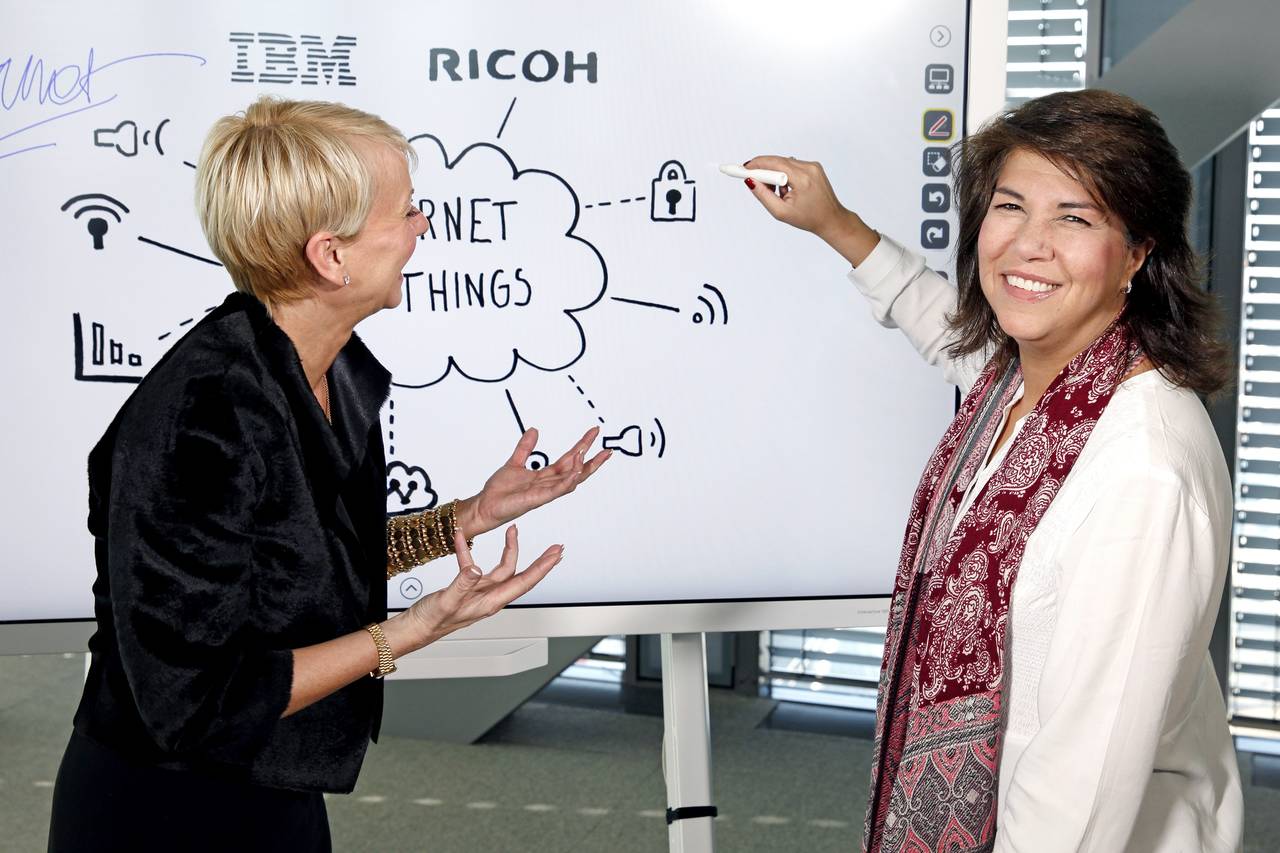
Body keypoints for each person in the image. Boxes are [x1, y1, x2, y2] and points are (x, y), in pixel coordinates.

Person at [47, 97, 611, 852]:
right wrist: (410, 631)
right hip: (166, 806)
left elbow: (298, 563)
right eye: (406, 211)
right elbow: (192, 702)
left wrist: (467, 517)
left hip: (273, 781)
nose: (422, 227)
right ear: (331, 256)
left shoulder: (329, 372)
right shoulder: (203, 415)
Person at [744, 89, 1243, 852]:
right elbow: (940, 324)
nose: (1028, 245)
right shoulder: (1028, 385)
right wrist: (834, 224)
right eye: (1011, 207)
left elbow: (1081, 794)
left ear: (1138, 253)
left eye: (1074, 218)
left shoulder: (1143, 471)